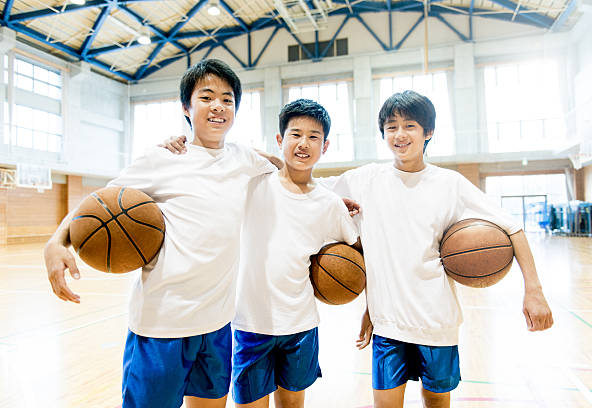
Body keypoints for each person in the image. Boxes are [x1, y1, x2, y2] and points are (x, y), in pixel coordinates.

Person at [43, 58, 280, 408]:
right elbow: (97, 205)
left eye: (228, 99)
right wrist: (55, 241)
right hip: (160, 326)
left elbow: (285, 167)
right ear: (186, 107)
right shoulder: (163, 158)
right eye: (207, 97)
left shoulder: (245, 160)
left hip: (216, 324)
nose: (218, 105)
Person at [323, 90, 554, 408]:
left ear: (428, 132)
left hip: (437, 323)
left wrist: (534, 290)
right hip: (388, 326)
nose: (400, 134)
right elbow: (304, 187)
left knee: (436, 402)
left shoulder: (451, 184)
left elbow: (512, 228)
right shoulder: (363, 180)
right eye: (391, 127)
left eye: (410, 126)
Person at [163, 99, 359, 408]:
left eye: (313, 136)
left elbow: (354, 248)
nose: (303, 143)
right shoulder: (252, 182)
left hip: (301, 323)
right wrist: (184, 141)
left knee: (293, 404)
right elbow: (222, 153)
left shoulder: (330, 203)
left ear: (326, 145)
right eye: (295, 134)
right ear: (280, 140)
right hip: (250, 323)